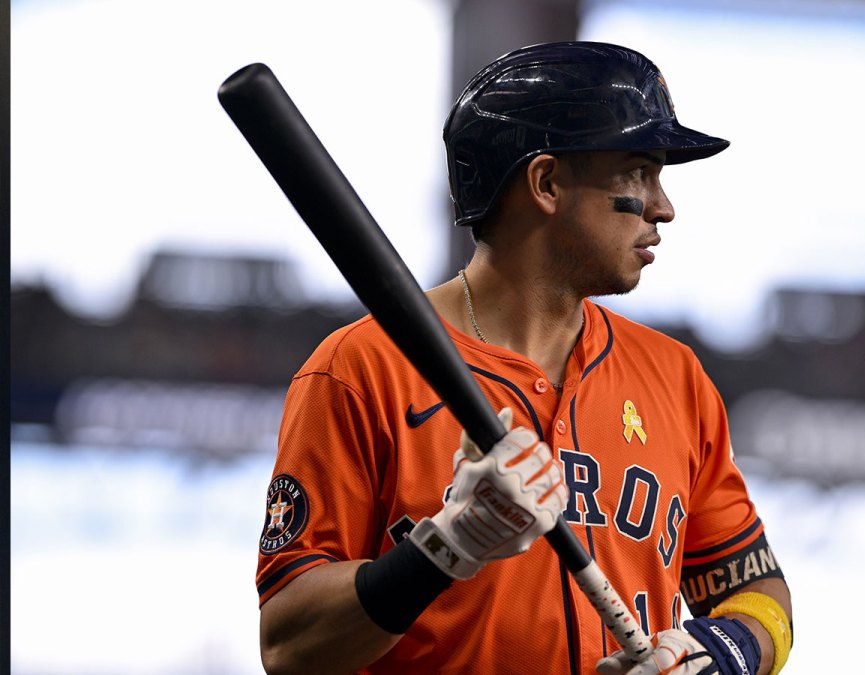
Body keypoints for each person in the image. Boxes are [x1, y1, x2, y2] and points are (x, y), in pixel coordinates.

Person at [255, 41, 793, 675]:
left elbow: (756, 590)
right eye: (637, 172)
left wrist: (727, 652)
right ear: (545, 183)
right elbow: (289, 647)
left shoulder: (674, 377)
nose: (663, 207)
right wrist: (446, 548)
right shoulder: (359, 369)